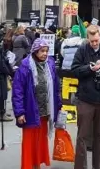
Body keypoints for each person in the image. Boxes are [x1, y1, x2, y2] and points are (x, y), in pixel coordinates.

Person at [72, 24, 100, 169]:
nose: (94, 43)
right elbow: (75, 70)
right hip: (86, 98)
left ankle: (96, 166)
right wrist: (89, 68)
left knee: (99, 135)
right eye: (92, 41)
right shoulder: (82, 50)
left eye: (97, 40)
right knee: (82, 136)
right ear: (88, 38)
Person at [12, 38, 62, 169]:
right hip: (30, 111)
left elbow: (56, 87)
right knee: (29, 141)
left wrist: (58, 105)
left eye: (46, 51)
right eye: (42, 51)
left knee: (40, 140)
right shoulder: (25, 67)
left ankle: (37, 164)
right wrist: (19, 112)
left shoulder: (50, 64)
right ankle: (29, 165)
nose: (45, 53)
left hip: (45, 110)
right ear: (35, 51)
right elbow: (17, 91)